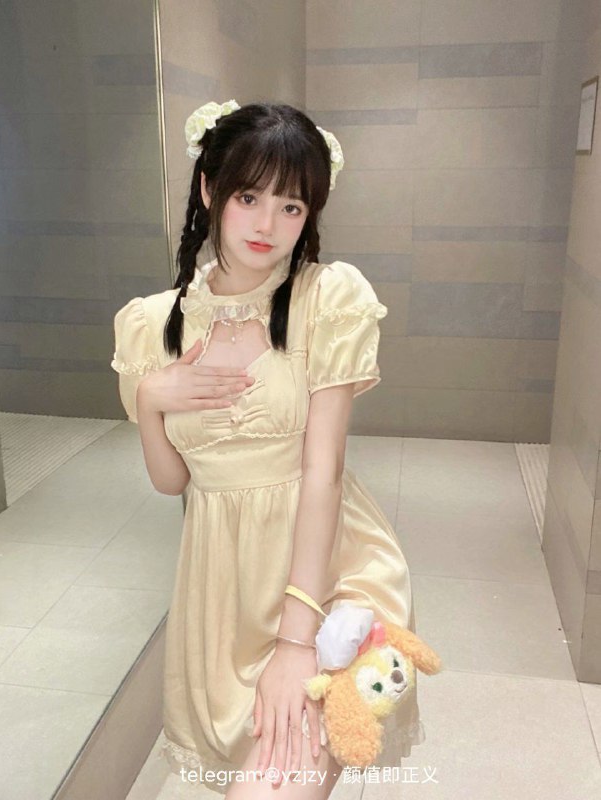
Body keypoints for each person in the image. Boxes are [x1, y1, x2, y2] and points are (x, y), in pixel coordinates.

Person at [110, 100, 425, 798]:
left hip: (324, 581)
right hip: (219, 592)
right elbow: (171, 481)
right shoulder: (149, 326)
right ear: (208, 190)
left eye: (291, 206)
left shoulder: (327, 299)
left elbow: (323, 473)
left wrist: (295, 641)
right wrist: (151, 399)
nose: (267, 225)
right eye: (248, 197)